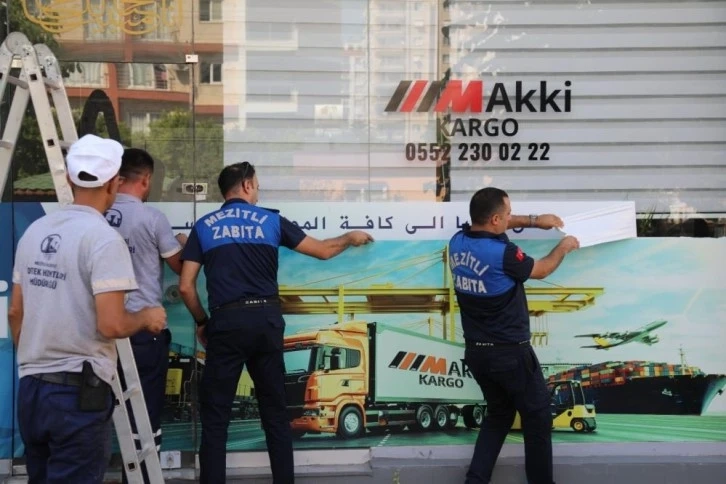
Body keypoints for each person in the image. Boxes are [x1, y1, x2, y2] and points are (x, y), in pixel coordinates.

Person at [178, 161, 374, 484]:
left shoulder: (205, 226)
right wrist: (349, 238)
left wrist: (202, 322)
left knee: (215, 421)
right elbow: (323, 251)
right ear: (245, 186)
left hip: (226, 323)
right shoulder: (270, 220)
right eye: (256, 185)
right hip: (266, 322)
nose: (257, 191)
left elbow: (186, 286)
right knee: (275, 416)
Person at [7, 134, 167, 483]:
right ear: (113, 182)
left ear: (69, 179)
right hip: (78, 394)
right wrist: (146, 317)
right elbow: (111, 325)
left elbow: (15, 313)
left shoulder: (36, 231)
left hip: (32, 389)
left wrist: (38, 357)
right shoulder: (103, 239)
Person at [448, 187, 579, 484]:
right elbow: (543, 269)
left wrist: (535, 220)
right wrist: (565, 246)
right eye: (507, 214)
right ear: (496, 219)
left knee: (498, 415)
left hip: (477, 353)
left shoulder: (457, 242)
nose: (510, 218)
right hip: (510, 354)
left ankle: (475, 481)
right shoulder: (505, 255)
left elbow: (491, 220)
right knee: (538, 418)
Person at [105, 148, 186, 481]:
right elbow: (180, 267)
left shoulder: (96, 216)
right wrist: (183, 242)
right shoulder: (152, 219)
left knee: (98, 413)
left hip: (102, 329)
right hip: (142, 333)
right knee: (144, 415)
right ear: (147, 178)